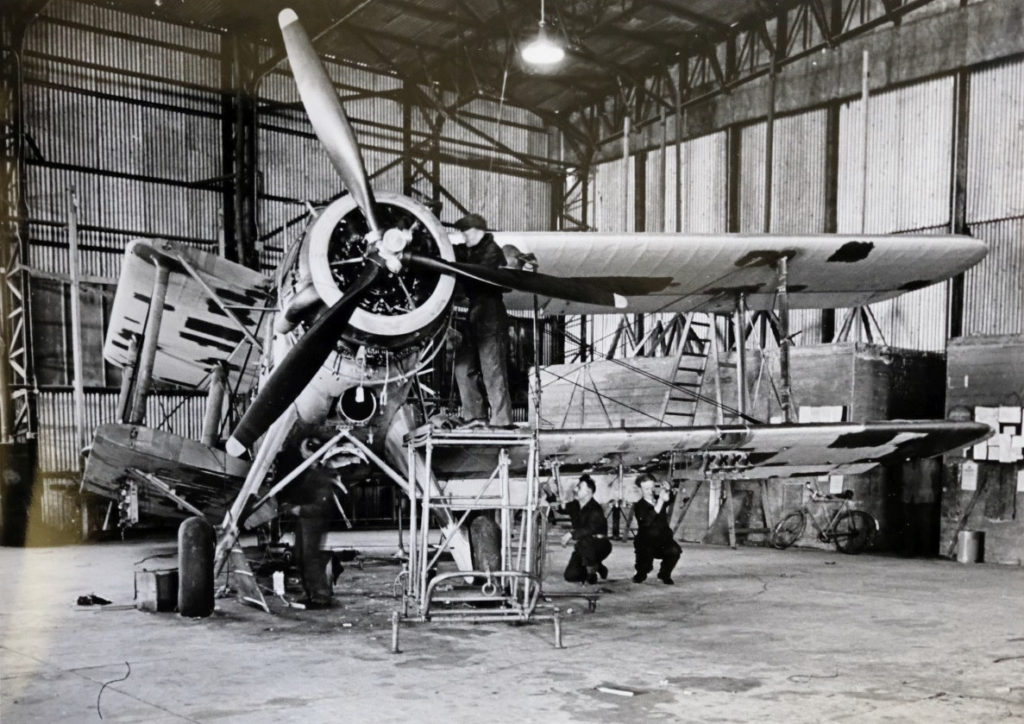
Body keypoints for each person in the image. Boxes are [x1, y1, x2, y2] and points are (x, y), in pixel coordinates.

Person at [279, 437, 365, 609]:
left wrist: (300, 510)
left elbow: (322, 507)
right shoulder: (311, 471)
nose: (302, 454)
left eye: (304, 451)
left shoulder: (321, 474)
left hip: (313, 520)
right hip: (305, 519)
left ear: (312, 453)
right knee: (301, 556)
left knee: (310, 557)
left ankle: (320, 596)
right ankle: (310, 593)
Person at [450, 213, 514, 429]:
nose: (463, 237)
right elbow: (457, 253)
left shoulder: (492, 252)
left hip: (490, 311)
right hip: (474, 310)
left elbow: (478, 273)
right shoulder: (471, 250)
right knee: (462, 366)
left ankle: (502, 421)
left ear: (478, 231)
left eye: (466, 233)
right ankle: (474, 415)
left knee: (492, 368)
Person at [559, 474, 612, 584]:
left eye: (579, 487)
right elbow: (562, 508)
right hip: (584, 547)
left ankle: (591, 574)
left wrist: (571, 534)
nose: (575, 489)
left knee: (585, 541)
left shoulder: (595, 509)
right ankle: (598, 566)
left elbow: (590, 529)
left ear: (588, 491)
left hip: (599, 545)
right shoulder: (575, 505)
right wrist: (550, 493)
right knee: (571, 576)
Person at [631, 473, 682, 585]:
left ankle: (664, 574)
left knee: (675, 551)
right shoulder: (639, 505)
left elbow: (670, 499)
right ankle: (641, 573)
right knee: (645, 565)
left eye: (652, 487)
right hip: (646, 542)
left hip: (663, 540)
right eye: (646, 489)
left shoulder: (659, 499)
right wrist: (660, 502)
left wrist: (668, 490)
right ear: (640, 489)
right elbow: (647, 522)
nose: (650, 491)